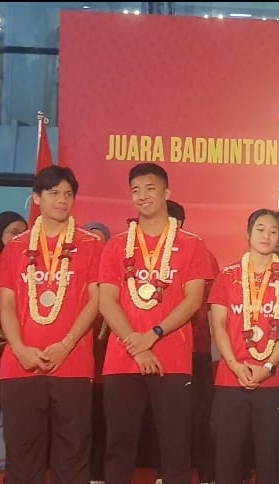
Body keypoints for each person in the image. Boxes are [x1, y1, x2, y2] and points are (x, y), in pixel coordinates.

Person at [97, 163, 215, 484]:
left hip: (171, 359)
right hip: (122, 359)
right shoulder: (116, 245)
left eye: (150, 188)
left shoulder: (192, 244)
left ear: (166, 192)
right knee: (119, 447)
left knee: (175, 448)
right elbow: (106, 301)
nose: (142, 196)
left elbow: (193, 300)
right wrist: (137, 346)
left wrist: (153, 334)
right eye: (136, 190)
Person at [0, 166, 104, 484]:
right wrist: (19, 348)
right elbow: (6, 304)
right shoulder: (17, 247)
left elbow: (95, 301)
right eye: (54, 193)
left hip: (72, 363)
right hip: (21, 364)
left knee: (72, 455)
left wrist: (66, 344)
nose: (62, 200)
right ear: (37, 198)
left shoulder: (91, 244)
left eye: (68, 194)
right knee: (22, 456)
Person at [210, 208, 279, 484]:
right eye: (260, 229)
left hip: (272, 380)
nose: (266, 235)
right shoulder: (227, 276)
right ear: (248, 234)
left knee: (270, 461)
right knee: (227, 460)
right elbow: (218, 325)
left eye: (274, 231)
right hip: (230, 379)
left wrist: (268, 366)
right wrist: (234, 365)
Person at [165, 199, 220, 484]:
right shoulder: (139, 253)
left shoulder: (200, 252)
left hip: (194, 348)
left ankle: (207, 475)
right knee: (166, 418)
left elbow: (208, 305)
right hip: (157, 349)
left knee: (199, 416)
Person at [0, 210, 27, 461]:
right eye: (14, 232)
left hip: (21, 353)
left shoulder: (30, 266)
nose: (20, 238)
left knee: (18, 420)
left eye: (24, 233)